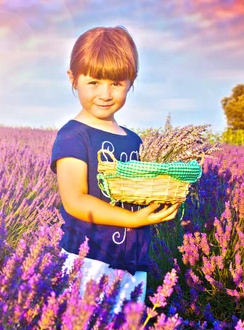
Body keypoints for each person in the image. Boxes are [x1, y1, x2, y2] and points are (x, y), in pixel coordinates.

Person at [50, 25, 180, 314]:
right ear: (73, 79)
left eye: (117, 83)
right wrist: (132, 221)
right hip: (89, 258)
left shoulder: (133, 139)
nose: (105, 93)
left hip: (133, 261)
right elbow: (75, 200)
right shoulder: (74, 135)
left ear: (131, 81)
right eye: (94, 82)